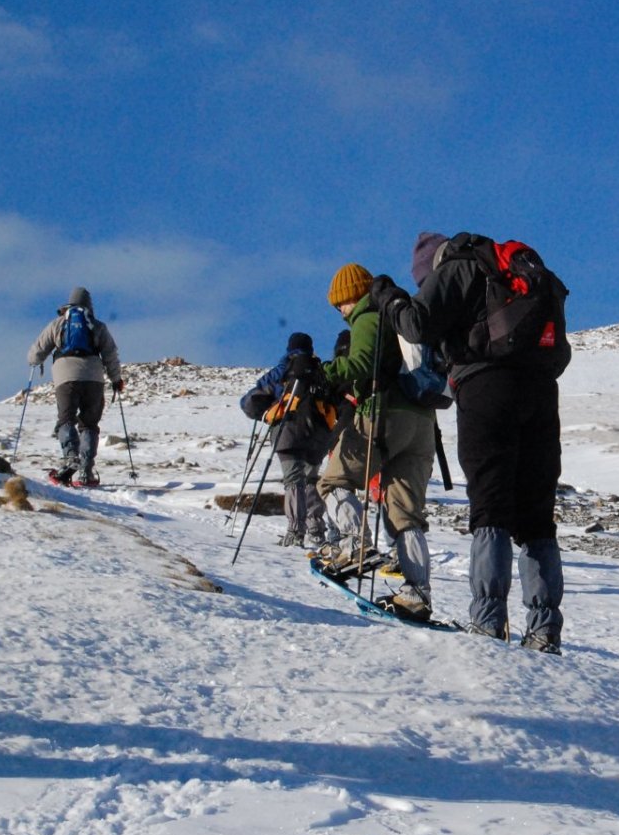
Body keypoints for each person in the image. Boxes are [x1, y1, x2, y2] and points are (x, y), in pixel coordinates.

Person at [370, 232, 569, 654]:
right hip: (541, 392)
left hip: (486, 389)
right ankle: (545, 630)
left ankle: (488, 621)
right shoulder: (511, 270)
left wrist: (390, 298)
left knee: (490, 507)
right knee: (536, 517)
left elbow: (417, 324)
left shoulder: (456, 268)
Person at [314, 263, 438, 623]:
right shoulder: (401, 315)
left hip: (384, 416)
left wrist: (326, 372)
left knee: (332, 481)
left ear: (351, 295)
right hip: (423, 424)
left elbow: (363, 364)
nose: (340, 312)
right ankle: (417, 593)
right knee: (405, 514)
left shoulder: (369, 316)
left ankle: (355, 544)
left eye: (340, 304)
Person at [239, 332, 337, 548]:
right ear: (311, 349)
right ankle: (316, 529)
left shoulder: (283, 370)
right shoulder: (321, 371)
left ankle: (294, 532)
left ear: (290, 348)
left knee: (294, 481)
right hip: (319, 435)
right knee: (311, 480)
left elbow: (248, 401)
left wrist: (264, 413)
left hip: (289, 432)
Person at [27, 286, 124, 487]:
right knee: (89, 424)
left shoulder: (58, 324)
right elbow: (111, 355)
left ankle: (71, 456)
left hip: (65, 376)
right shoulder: (97, 326)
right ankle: (86, 472)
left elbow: (35, 354)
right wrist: (116, 380)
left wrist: (35, 362)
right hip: (94, 377)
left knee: (66, 420)